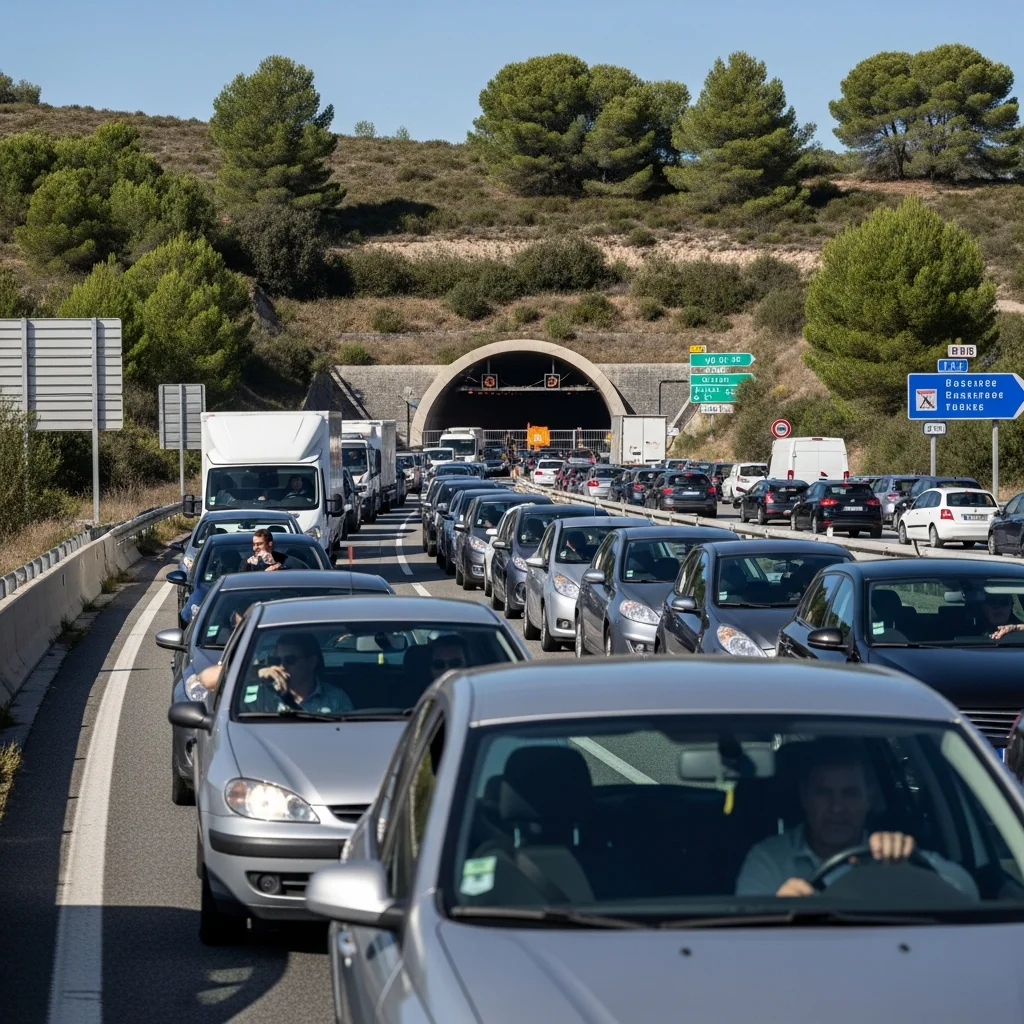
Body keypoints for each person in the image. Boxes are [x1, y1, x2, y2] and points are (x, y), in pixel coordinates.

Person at [735, 741, 977, 898]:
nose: (837, 807)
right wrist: (778, 910)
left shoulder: (892, 853)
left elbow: (968, 892)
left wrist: (913, 865)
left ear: (869, 799)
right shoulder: (771, 859)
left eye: (849, 793)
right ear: (804, 797)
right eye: (824, 793)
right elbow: (743, 936)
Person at [246, 632, 353, 713]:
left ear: (311, 663)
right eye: (277, 661)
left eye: (290, 660)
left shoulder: (336, 699)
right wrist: (256, 675)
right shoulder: (262, 694)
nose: (282, 666)